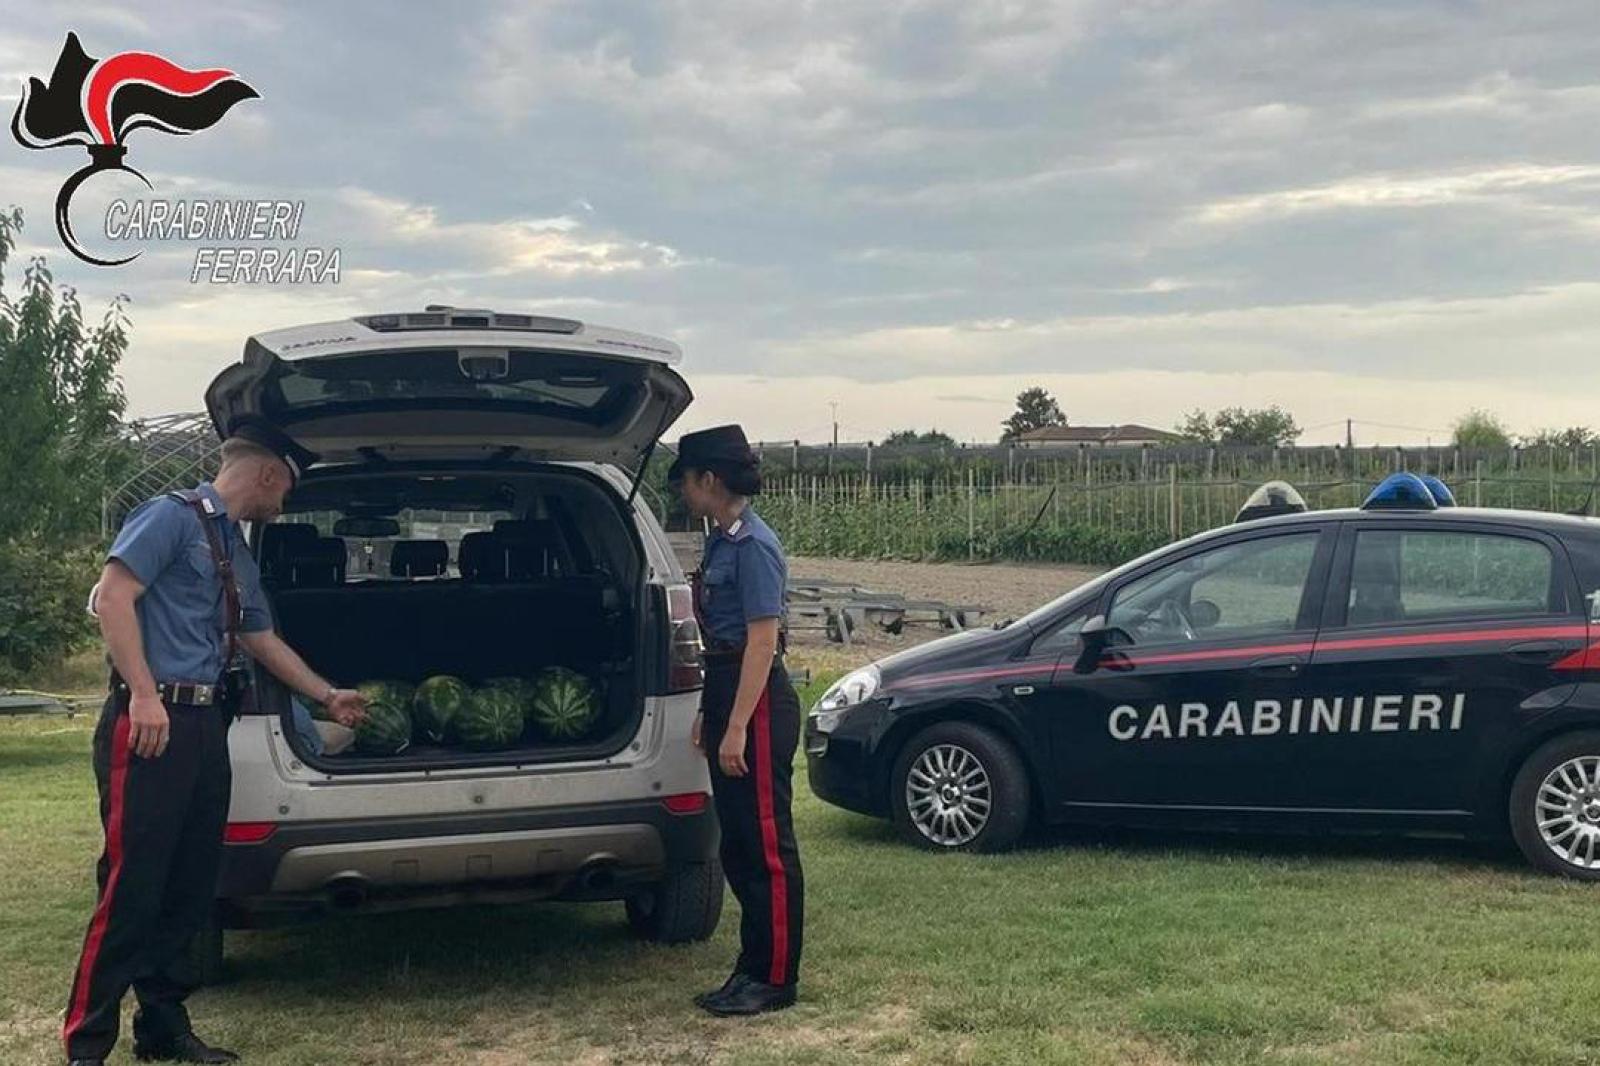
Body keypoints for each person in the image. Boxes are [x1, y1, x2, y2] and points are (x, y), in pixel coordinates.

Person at [63, 418, 366, 1066]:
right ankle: (86, 1044)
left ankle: (162, 1024)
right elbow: (114, 598)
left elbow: (260, 638)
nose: (284, 503)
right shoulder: (168, 518)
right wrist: (143, 693)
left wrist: (326, 696)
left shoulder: (233, 549)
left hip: (204, 724)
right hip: (152, 722)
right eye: (287, 489)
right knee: (132, 883)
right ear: (268, 474)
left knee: (191, 880)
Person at [669, 425, 804, 1017]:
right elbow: (718, 643)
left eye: (686, 480)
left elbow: (761, 643)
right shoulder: (721, 543)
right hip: (728, 688)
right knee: (740, 844)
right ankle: (751, 967)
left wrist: (738, 725)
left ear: (710, 480)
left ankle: (775, 978)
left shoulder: (754, 547)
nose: (682, 491)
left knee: (767, 845)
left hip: (759, 701)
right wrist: (711, 711)